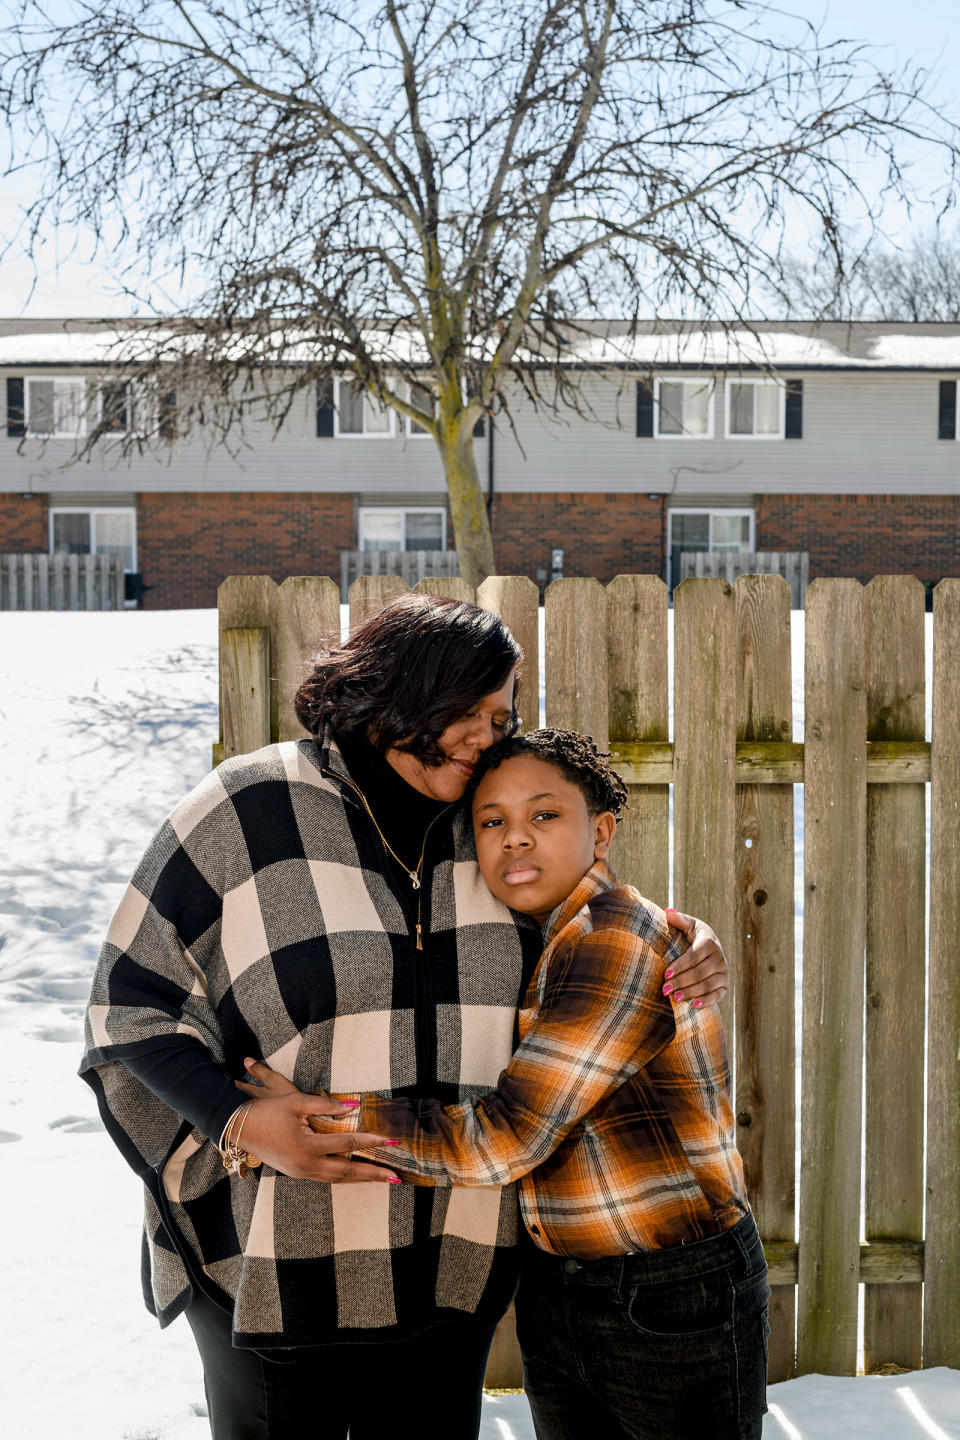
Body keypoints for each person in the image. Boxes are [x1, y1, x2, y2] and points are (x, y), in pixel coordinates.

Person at [80, 596, 730, 1440]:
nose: (487, 737)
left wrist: (680, 934)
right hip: (277, 1250)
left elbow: (592, 920)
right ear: (394, 692)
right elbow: (131, 999)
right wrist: (239, 1121)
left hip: (451, 1259)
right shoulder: (247, 808)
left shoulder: (485, 820)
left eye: (502, 716)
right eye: (468, 710)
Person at [287, 729, 768, 1440]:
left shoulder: (616, 940)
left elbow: (507, 1140)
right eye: (492, 822)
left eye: (544, 815)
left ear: (600, 831)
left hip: (669, 1292)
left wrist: (318, 1118)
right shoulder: (544, 941)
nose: (515, 839)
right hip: (564, 1287)